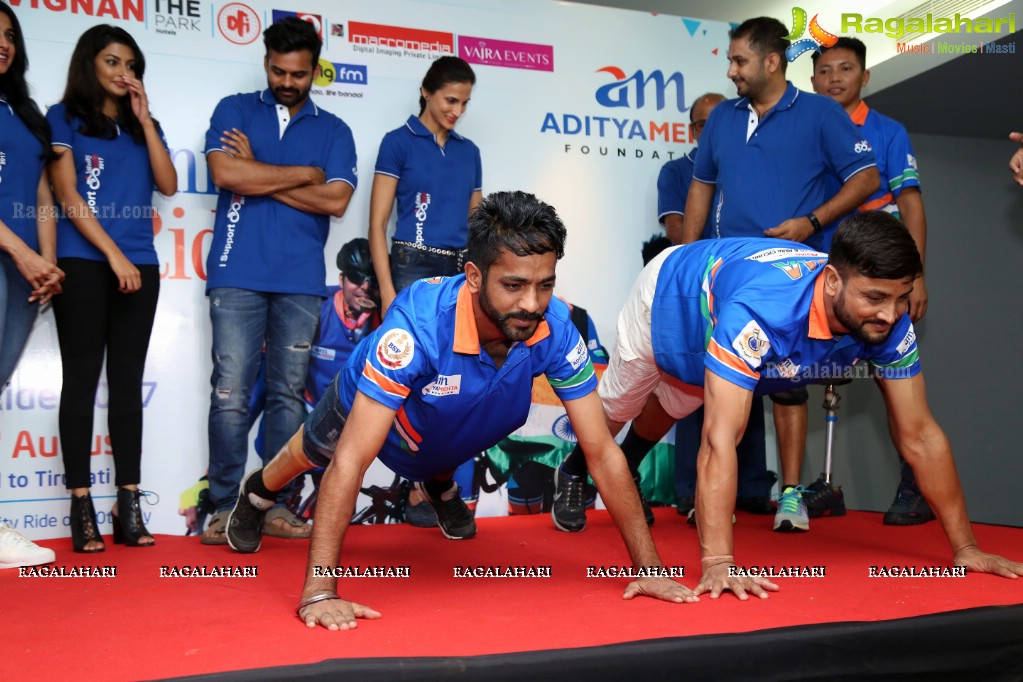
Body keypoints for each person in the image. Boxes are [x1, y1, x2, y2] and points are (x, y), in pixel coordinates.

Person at [226, 191, 696, 629]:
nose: (531, 304)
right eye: (514, 285)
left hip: (448, 417)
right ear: (474, 276)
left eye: (544, 285)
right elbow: (351, 460)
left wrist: (651, 570)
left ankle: (438, 482)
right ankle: (256, 494)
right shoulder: (416, 328)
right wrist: (320, 591)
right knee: (312, 451)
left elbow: (602, 452)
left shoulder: (553, 326)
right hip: (370, 406)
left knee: (484, 408)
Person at [576, 211, 1023, 600]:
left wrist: (966, 548)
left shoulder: (889, 322)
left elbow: (921, 435)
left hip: (733, 313)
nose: (890, 314)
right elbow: (719, 441)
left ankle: (628, 464)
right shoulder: (760, 311)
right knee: (618, 406)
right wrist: (719, 562)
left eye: (900, 297)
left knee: (677, 401)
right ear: (832, 282)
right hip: (670, 295)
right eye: (875, 298)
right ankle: (575, 471)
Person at [676, 17, 882, 534]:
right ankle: (713, 489)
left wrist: (811, 222)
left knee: (788, 382)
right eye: (729, 60)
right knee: (722, 377)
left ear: (771, 61)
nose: (731, 71)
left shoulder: (818, 112)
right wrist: (686, 255)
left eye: (739, 60)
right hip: (725, 274)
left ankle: (791, 495)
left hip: (793, 272)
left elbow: (866, 178)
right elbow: (701, 186)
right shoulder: (723, 116)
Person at [201, 17, 358, 544]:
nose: (286, 82)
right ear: (266, 63)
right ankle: (222, 505)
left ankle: (272, 506)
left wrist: (259, 171)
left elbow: (336, 200)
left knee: (289, 397)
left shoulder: (334, 129)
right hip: (236, 273)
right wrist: (305, 174)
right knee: (230, 394)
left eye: (298, 73)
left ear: (315, 70)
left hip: (299, 280)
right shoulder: (235, 109)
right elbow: (226, 175)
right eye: (277, 71)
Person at [46, 24, 177, 552]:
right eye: (113, 63)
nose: (124, 74)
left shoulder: (143, 125)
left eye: (132, 65)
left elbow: (167, 184)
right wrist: (113, 254)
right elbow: (67, 194)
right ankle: (81, 508)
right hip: (83, 264)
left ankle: (128, 507)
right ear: (89, 65)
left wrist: (145, 123)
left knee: (127, 386)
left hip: (139, 267)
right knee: (80, 382)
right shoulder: (64, 118)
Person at [809, 36, 933, 525]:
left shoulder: (887, 130)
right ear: (812, 79)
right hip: (822, 277)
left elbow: (911, 206)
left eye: (845, 69)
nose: (834, 77)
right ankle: (824, 487)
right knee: (809, 377)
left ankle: (914, 486)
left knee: (890, 381)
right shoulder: (808, 129)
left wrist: (916, 278)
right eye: (824, 70)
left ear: (865, 77)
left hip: (877, 283)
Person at [366, 55, 482, 526]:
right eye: (450, 100)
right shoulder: (397, 143)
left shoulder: (469, 151)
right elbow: (376, 227)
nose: (456, 110)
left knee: (456, 384)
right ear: (426, 92)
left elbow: (477, 226)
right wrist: (390, 292)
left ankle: (431, 488)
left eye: (465, 103)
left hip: (459, 272)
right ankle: (413, 489)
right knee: (406, 384)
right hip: (409, 267)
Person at [653, 92, 774, 521]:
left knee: (752, 383)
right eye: (702, 125)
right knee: (695, 389)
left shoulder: (747, 167)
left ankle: (752, 486)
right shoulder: (676, 172)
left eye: (716, 124)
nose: (710, 132)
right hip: (700, 288)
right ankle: (690, 490)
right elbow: (676, 230)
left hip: (749, 290)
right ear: (692, 130)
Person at [0, 0, 63, 568]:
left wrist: (45, 262)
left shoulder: (21, 110)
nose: (2, 43)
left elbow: (42, 192)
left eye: (8, 35)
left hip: (20, 267)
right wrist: (21, 253)